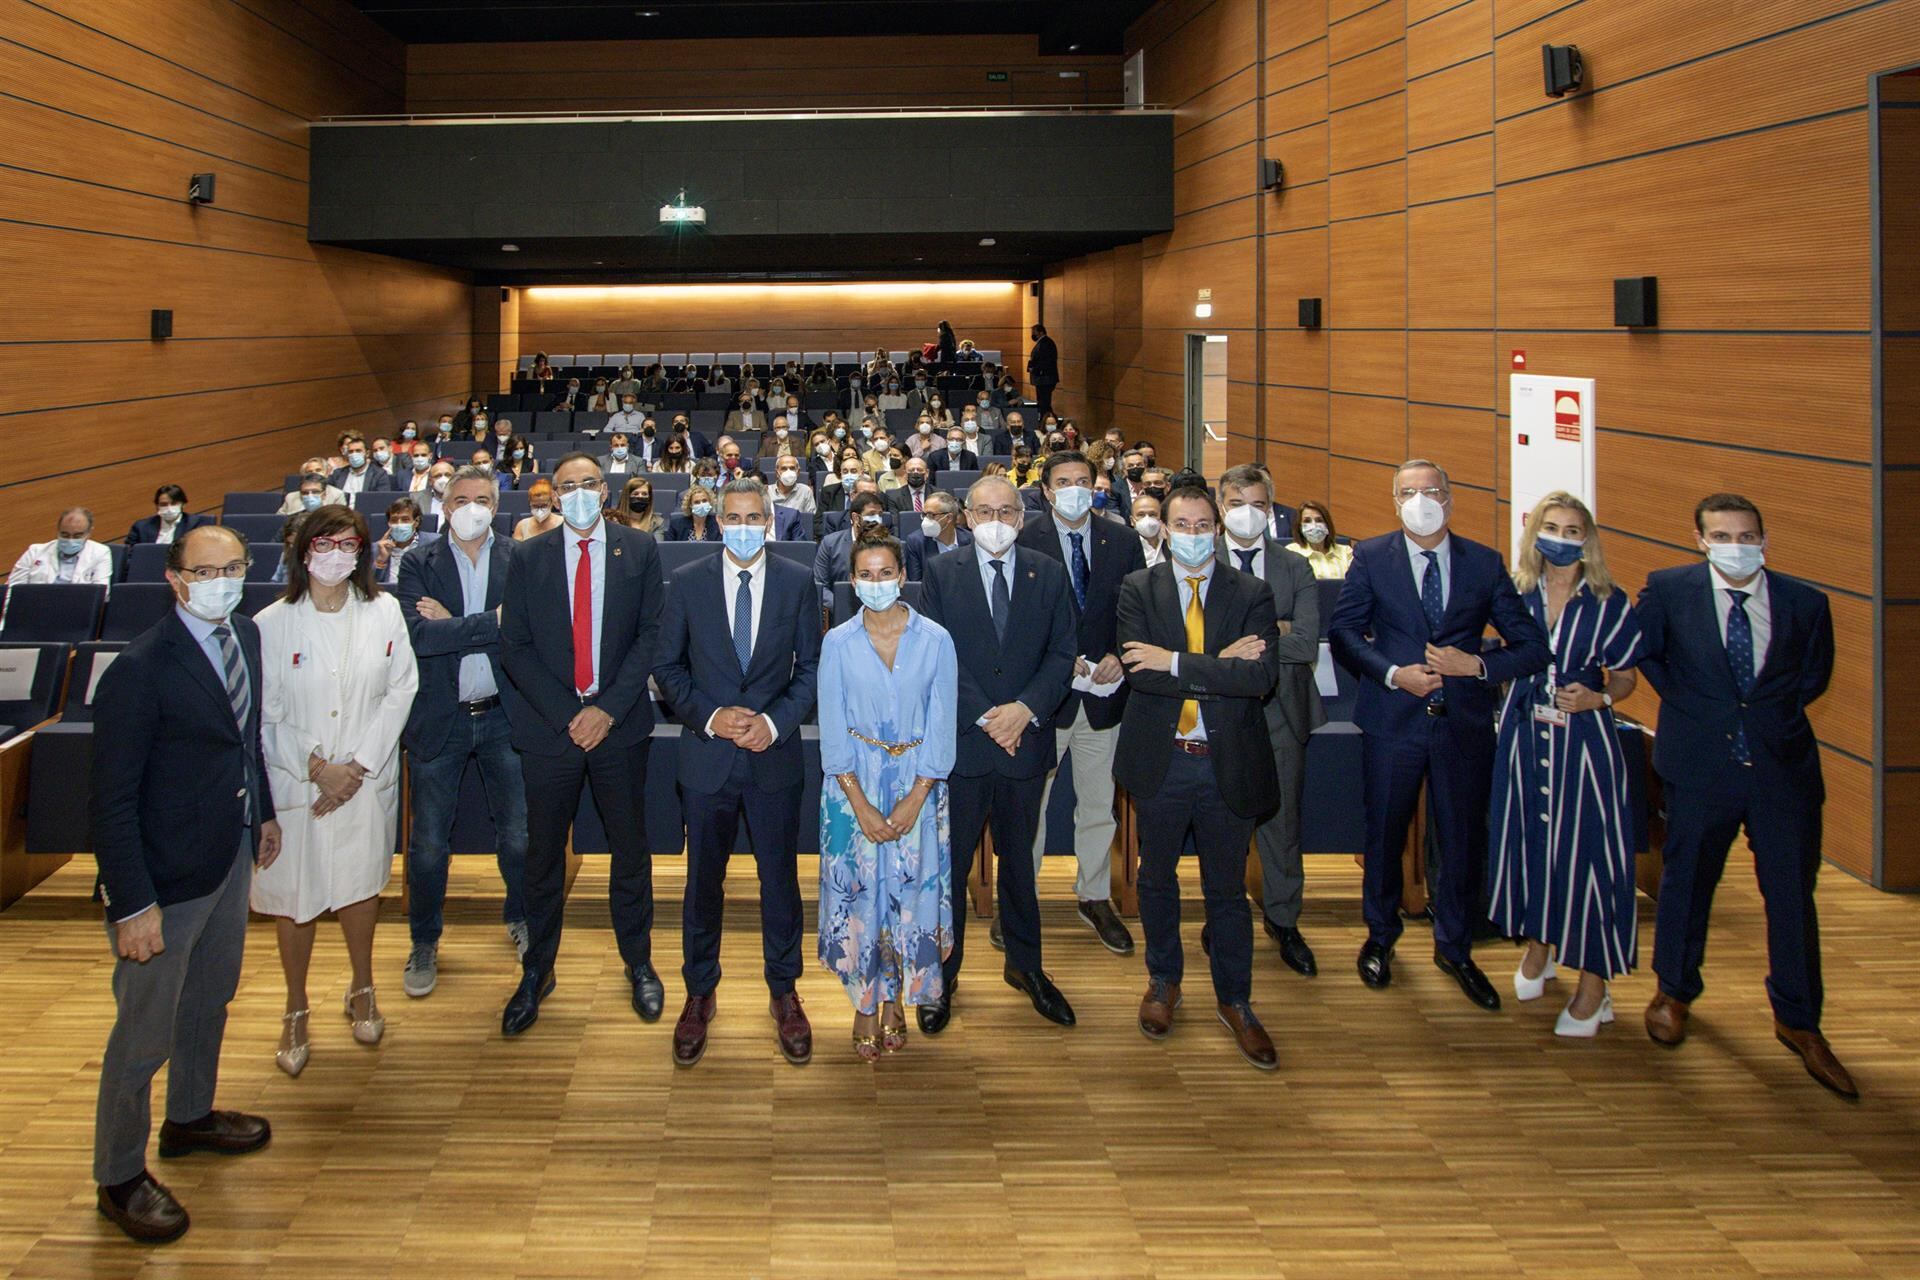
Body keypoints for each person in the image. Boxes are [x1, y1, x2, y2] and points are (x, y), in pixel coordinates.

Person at [89, 523, 279, 1244]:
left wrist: (260, 812)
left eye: (234, 567)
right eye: (206, 570)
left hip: (228, 854)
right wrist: (131, 903)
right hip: (163, 879)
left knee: (209, 1000)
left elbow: (246, 735)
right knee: (142, 1035)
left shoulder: (246, 639)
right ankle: (119, 1175)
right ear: (175, 579)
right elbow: (109, 800)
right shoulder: (141, 667)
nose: (222, 580)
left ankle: (190, 1117)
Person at [1635, 493, 1852, 1095]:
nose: (1737, 545)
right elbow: (1649, 654)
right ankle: (1673, 993)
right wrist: (1697, 708)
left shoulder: (1806, 603)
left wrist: (1757, 720)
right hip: (1701, 766)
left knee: (1790, 896)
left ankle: (1799, 1021)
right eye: (1723, 535)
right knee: (1686, 883)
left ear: (1764, 537)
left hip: (1781, 771)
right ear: (1700, 539)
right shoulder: (1668, 590)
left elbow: (1813, 677)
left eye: (1748, 534)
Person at [1327, 459, 1550, 1009]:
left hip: (1463, 722)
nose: (1420, 499)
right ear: (1394, 500)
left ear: (1449, 498)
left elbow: (1530, 645)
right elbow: (1345, 632)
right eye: (1409, 491)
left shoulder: (1485, 562)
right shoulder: (1372, 556)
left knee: (1461, 839)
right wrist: (1391, 673)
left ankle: (1455, 946)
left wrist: (1473, 666)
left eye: (1430, 490)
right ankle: (1380, 938)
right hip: (1392, 717)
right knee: (1383, 834)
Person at [653, 478, 821, 1067]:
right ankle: (699, 992)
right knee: (703, 884)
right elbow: (667, 668)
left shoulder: (800, 582)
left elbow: (811, 670)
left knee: (781, 883)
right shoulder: (687, 581)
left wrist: (771, 724)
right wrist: (712, 716)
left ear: (770, 521)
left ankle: (785, 991)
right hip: (707, 759)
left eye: (756, 516)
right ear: (718, 520)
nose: (745, 525)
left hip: (774, 756)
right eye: (735, 516)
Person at [1115, 485, 1283, 1070]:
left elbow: (1259, 678)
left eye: (1202, 523)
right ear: (1162, 527)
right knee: (1156, 878)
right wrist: (1218, 662)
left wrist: (1179, 661)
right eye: (1179, 523)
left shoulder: (1252, 592)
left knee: (1227, 891)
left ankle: (1236, 1000)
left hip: (1227, 761)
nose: (1191, 532)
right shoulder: (1139, 587)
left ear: (1217, 528)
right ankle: (1164, 981)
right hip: (1162, 760)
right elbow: (1142, 675)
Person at [499, 454, 666, 1036]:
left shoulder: (638, 549)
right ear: (550, 494)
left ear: (604, 490)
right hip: (551, 730)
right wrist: (573, 714)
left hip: (619, 727)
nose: (575, 494)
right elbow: (514, 645)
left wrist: (606, 710)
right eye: (564, 486)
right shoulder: (526, 555)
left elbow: (650, 636)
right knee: (542, 857)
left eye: (586, 484)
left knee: (630, 849)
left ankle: (638, 960)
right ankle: (537, 968)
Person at [251, 505, 418, 1073]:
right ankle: (296, 1007)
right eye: (325, 545)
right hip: (300, 784)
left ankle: (362, 987)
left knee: (358, 885)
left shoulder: (384, 610)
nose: (337, 556)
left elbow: (401, 688)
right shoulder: (271, 623)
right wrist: (318, 766)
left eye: (349, 545)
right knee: (295, 896)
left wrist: (358, 766)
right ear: (303, 553)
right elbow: (266, 711)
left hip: (364, 780)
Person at [916, 475, 1078, 1032]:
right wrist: (989, 715)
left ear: (1021, 516)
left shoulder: (1049, 573)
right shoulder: (940, 573)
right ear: (964, 516)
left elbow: (1062, 655)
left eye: (1006, 512)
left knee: (1020, 868)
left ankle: (1027, 968)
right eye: (983, 511)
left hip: (1025, 744)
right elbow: (932, 655)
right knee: (950, 870)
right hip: (962, 746)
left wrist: (1024, 710)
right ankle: (942, 976)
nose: (995, 522)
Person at [1487, 493, 1643, 1036]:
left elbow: (1625, 675)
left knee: (1590, 857)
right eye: (1551, 527)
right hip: (1525, 736)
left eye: (1573, 529)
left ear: (1588, 537)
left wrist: (1601, 698)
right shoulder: (1517, 593)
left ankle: (1594, 988)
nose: (1562, 536)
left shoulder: (1609, 601)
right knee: (1531, 843)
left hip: (1585, 745)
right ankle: (1540, 944)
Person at [817, 533, 957, 1059]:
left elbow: (943, 726)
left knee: (911, 896)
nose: (876, 584)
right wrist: (861, 803)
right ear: (853, 582)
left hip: (920, 783)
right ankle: (864, 1003)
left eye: (886, 573)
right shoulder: (837, 642)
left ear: (903, 576)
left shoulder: (937, 639)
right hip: (852, 785)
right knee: (861, 899)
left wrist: (915, 797)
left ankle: (898, 997)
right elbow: (832, 731)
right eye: (866, 575)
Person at [1000, 449, 1145, 957]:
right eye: (1064, 480)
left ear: (1097, 485)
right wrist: (1061, 663)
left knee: (1099, 805)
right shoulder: (1024, 539)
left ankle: (1095, 895)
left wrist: (1119, 656)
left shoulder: (1123, 541)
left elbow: (1138, 611)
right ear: (1046, 490)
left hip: (1105, 697)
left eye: (1083, 479)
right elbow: (1014, 624)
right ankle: (1020, 900)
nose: (1074, 487)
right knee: (1028, 809)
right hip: (1046, 699)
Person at [396, 467, 528, 999]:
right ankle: (424, 940)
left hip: (504, 715)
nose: (471, 506)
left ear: (496, 506)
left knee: (518, 836)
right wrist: (488, 621)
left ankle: (520, 917)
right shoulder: (416, 561)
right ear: (443, 504)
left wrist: (456, 622)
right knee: (427, 843)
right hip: (439, 717)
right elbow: (420, 637)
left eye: (482, 499)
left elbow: (526, 631)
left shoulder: (520, 558)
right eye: (461, 498)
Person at [1216, 464, 1325, 977]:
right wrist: (1274, 628)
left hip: (1282, 710)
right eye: (1237, 502)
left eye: (1258, 503)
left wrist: (1245, 636)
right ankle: (1223, 917)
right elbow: (1196, 641)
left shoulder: (1295, 567)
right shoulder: (1200, 556)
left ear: (1272, 508)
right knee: (1223, 823)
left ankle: (1284, 920)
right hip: (1217, 712)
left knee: (1282, 826)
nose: (1247, 512)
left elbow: (1304, 644)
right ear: (1220, 506)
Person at [813, 489, 887, 606]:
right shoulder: (830, 544)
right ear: (856, 518)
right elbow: (820, 584)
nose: (877, 519)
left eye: (880, 514)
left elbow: (901, 583)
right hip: (840, 610)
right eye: (872, 514)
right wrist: (839, 607)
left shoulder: (892, 544)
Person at [10, 507, 113, 584]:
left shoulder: (101, 553)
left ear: (89, 533)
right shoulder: (35, 551)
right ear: (58, 530)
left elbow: (101, 594)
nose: (70, 540)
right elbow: (13, 589)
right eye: (65, 534)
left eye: (77, 535)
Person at [903, 490, 971, 579]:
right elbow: (916, 582)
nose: (925, 520)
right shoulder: (915, 542)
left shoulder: (970, 540)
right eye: (924, 515)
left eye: (931, 515)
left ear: (948, 518)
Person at [373, 496, 436, 586]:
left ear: (416, 522)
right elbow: (369, 588)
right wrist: (381, 561)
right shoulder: (375, 549)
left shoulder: (434, 543)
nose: (399, 524)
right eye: (394, 520)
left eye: (405, 520)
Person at [1286, 499, 1352, 579]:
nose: (1314, 525)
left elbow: (1355, 584)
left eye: (1319, 520)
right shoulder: (1291, 552)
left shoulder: (1346, 552)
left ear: (1327, 525)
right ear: (1299, 527)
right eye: (1307, 521)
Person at [127, 485, 213, 545]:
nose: (169, 508)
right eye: (164, 504)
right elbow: (130, 557)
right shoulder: (141, 527)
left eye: (174, 503)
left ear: (183, 504)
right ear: (157, 506)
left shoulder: (196, 524)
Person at [330, 434, 395, 497]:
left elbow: (382, 499)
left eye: (358, 451)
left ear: (367, 453)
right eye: (351, 452)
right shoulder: (338, 474)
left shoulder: (379, 474)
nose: (354, 454)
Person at [1026, 324, 1059, 421]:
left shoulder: (1046, 343)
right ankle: (1048, 420)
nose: (1032, 335)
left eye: (1034, 333)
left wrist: (1034, 369)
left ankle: (1048, 421)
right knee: (1043, 402)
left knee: (1044, 403)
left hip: (1045, 378)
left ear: (1041, 332)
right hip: (1043, 379)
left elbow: (1046, 361)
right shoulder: (1043, 343)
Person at [1131, 493, 1168, 566]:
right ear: (1132, 521)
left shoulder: (1171, 543)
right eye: (1141, 515)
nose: (1147, 519)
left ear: (1160, 518)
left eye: (1152, 514)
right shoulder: (1126, 548)